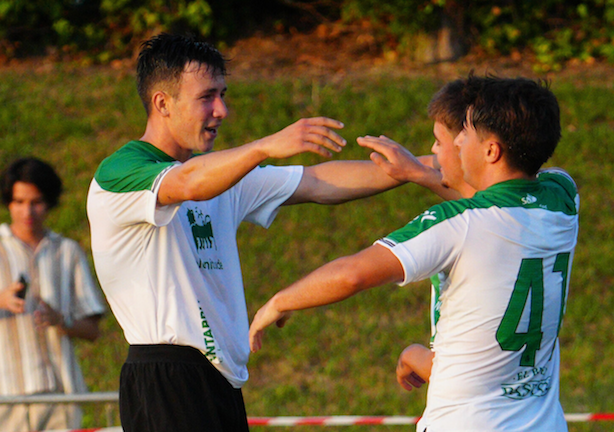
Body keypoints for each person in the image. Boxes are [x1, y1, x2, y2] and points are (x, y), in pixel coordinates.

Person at [86, 33, 447, 432]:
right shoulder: (121, 173)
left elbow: (317, 182)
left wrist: (429, 166)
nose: (222, 109)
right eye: (207, 96)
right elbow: (186, 185)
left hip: (218, 381)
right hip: (167, 378)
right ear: (162, 103)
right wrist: (264, 146)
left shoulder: (220, 175)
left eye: (223, 93)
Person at [249, 75, 579, 431]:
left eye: (463, 134)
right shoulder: (562, 195)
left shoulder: (456, 225)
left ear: (491, 151)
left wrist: (280, 301)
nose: (457, 141)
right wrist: (419, 174)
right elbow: (499, 209)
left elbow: (352, 273)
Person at [0, 157, 105, 432]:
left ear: (49, 202)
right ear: (8, 201)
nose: (27, 211)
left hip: (62, 394)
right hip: (6, 396)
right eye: (19, 201)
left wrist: (61, 320)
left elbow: (93, 330)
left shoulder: (67, 251)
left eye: (36, 202)